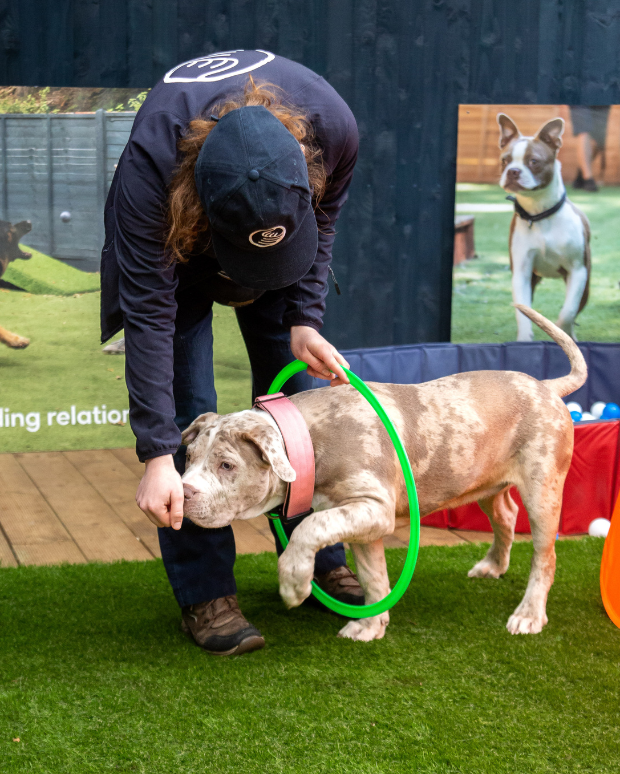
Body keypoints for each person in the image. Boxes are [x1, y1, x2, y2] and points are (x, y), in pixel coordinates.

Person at [100, 50, 363, 656]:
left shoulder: (333, 128)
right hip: (179, 250)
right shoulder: (150, 177)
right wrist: (155, 454)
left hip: (280, 234)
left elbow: (321, 225)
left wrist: (304, 318)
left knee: (298, 407)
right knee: (190, 420)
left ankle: (317, 552)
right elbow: (149, 319)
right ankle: (206, 591)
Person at [569, 105, 611, 192]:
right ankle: (588, 179)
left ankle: (582, 172)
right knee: (584, 131)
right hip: (579, 94)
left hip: (603, 95)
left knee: (599, 140)